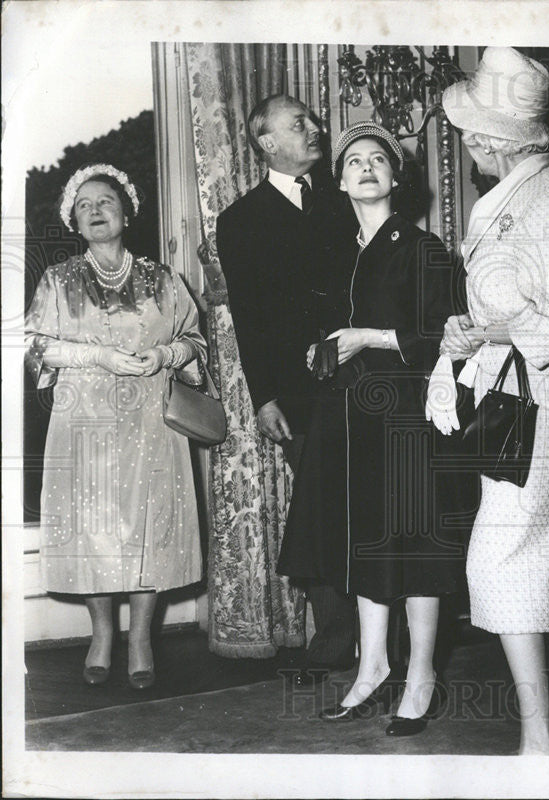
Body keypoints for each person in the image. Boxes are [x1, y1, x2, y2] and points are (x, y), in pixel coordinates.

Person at [278, 122, 464, 737]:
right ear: (339, 181)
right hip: (350, 420)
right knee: (366, 544)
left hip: (409, 416)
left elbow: (445, 336)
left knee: (413, 545)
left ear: (396, 175)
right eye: (352, 161)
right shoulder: (336, 251)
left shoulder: (424, 247)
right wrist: (320, 351)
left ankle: (421, 679)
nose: (365, 167)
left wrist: (369, 338)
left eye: (377, 159)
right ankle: (374, 666)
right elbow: (326, 327)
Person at [435, 46, 549, 756]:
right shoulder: (523, 195)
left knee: (501, 562)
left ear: (495, 139)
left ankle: (536, 739)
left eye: (473, 130)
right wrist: (472, 336)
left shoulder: (546, 201)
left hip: (538, 402)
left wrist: (479, 330)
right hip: (524, 397)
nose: (468, 142)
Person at [25, 164, 206, 689]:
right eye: (84, 205)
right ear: (73, 221)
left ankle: (142, 637)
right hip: (85, 421)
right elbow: (36, 347)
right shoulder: (58, 280)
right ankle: (102, 634)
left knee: (150, 528)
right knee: (93, 530)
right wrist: (99, 355)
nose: (96, 210)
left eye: (106, 201)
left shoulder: (165, 279)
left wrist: (164, 353)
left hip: (153, 420)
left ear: (126, 211)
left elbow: (195, 342)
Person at [216, 94, 357, 670]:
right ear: (267, 143)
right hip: (297, 393)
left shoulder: (345, 201)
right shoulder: (240, 220)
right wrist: (264, 396)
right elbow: (248, 316)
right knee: (321, 507)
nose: (315, 129)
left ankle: (379, 637)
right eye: (299, 124)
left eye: (314, 120)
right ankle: (337, 634)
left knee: (365, 501)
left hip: (363, 378)